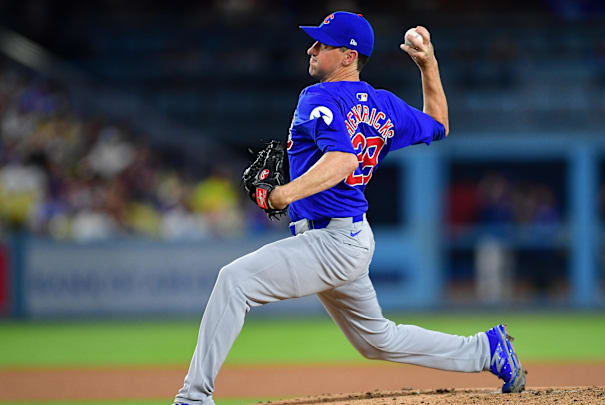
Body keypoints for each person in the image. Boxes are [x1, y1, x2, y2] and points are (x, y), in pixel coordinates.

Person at [173, 11, 526, 405]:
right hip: (350, 237)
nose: (311, 47)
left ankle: (193, 398)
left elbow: (343, 160)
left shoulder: (318, 97)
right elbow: (438, 122)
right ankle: (486, 349)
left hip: (331, 241)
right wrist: (429, 65)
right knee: (377, 340)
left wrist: (282, 194)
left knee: (233, 282)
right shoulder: (384, 104)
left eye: (322, 43)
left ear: (347, 56)